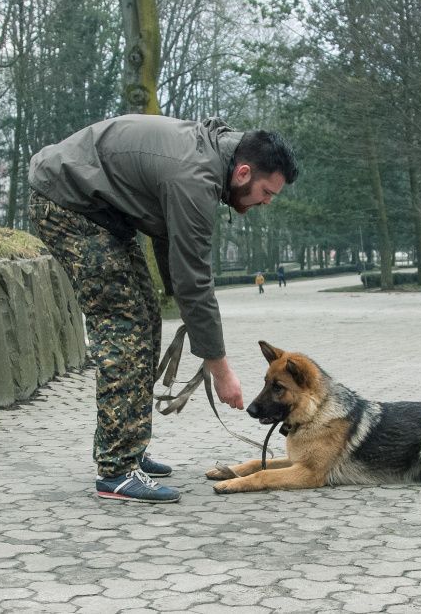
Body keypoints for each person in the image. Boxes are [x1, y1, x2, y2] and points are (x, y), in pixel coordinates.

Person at [28, 115, 298, 503]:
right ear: (242, 173)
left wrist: (187, 308)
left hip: (98, 211)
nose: (266, 203)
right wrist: (220, 370)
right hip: (68, 204)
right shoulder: (196, 179)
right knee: (126, 328)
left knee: (144, 318)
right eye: (266, 193)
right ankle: (117, 470)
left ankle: (129, 447)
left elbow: (171, 242)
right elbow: (195, 280)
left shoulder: (210, 157)